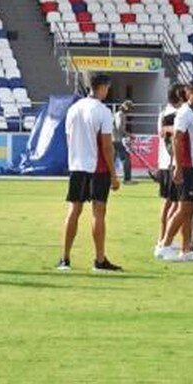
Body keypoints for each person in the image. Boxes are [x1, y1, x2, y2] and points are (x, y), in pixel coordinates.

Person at [57, 74, 122, 272]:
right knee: (98, 212)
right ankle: (99, 260)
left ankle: (65, 259)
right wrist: (113, 174)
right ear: (102, 87)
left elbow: (69, 139)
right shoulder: (102, 112)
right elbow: (106, 146)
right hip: (97, 167)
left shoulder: (73, 109)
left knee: (73, 211)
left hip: (77, 166)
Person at [159, 82, 193, 262]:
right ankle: (165, 244)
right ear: (187, 96)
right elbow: (177, 140)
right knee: (184, 207)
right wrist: (178, 166)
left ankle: (185, 249)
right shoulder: (185, 113)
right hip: (185, 166)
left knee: (190, 208)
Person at [153, 84, 185, 258]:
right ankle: (165, 240)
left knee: (169, 203)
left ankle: (163, 239)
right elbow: (169, 138)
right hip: (171, 163)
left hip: (166, 163)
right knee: (174, 203)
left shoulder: (165, 112)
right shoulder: (172, 114)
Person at [112, 100, 134, 183]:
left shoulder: (118, 114)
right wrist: (129, 135)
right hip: (116, 140)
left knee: (111, 160)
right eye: (130, 109)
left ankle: (108, 179)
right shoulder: (120, 115)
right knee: (126, 158)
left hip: (114, 139)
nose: (130, 111)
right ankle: (127, 179)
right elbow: (119, 128)